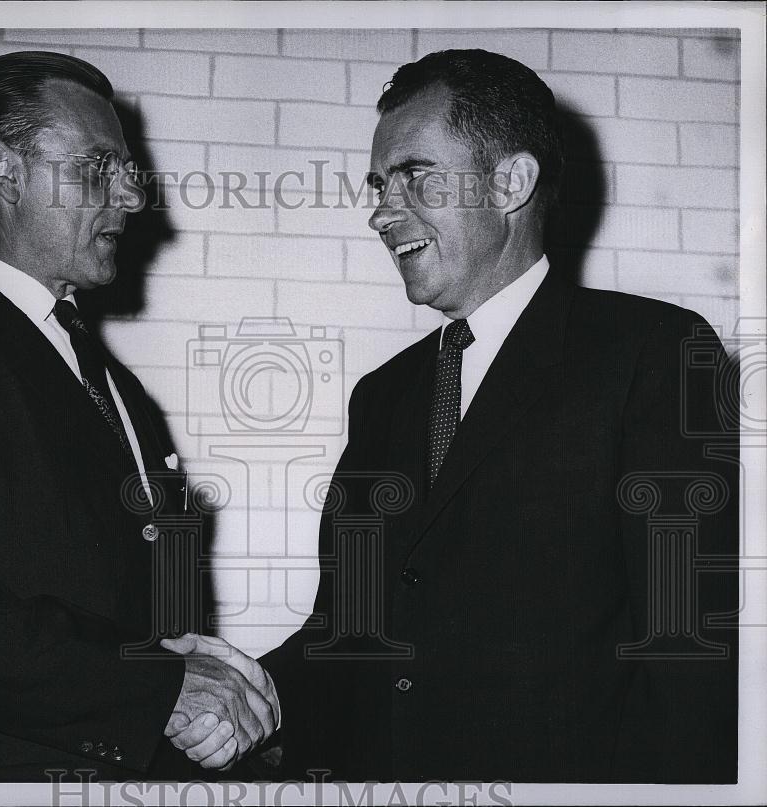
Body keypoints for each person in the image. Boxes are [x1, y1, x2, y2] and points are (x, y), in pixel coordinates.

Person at [165, 49, 739, 783]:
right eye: (378, 184)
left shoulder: (650, 353)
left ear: (510, 182)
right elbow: (352, 631)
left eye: (414, 176)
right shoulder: (383, 395)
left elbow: (690, 658)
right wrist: (259, 691)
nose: (380, 210)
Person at [0, 50, 277, 782]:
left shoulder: (120, 389)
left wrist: (210, 696)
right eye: (100, 166)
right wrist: (161, 689)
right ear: (4, 170)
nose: (131, 197)